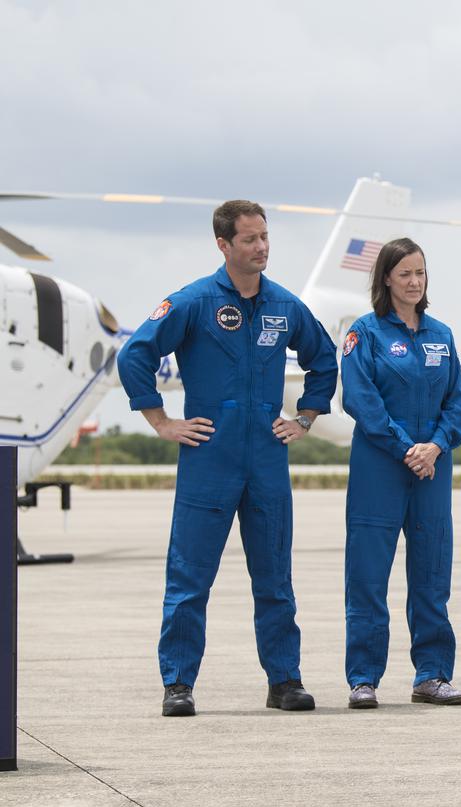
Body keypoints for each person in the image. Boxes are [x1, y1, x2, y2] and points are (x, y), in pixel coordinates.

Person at [117, 200, 338, 717]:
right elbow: (136, 355)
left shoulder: (286, 307)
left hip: (266, 459)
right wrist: (162, 421)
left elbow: (324, 361)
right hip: (208, 457)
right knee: (190, 577)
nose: (260, 247)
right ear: (223, 244)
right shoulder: (192, 301)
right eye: (249, 239)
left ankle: (285, 681)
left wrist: (303, 418)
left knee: (275, 577)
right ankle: (178, 684)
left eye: (265, 237)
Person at [340, 238, 461, 710]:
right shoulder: (365, 334)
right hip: (380, 467)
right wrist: (404, 447)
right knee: (368, 575)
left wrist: (435, 445)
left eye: (420, 273)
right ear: (386, 280)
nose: (414, 282)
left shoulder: (442, 335)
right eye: (405, 275)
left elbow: (457, 401)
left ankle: (432, 674)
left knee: (432, 572)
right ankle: (364, 677)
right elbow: (359, 398)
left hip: (432, 469)